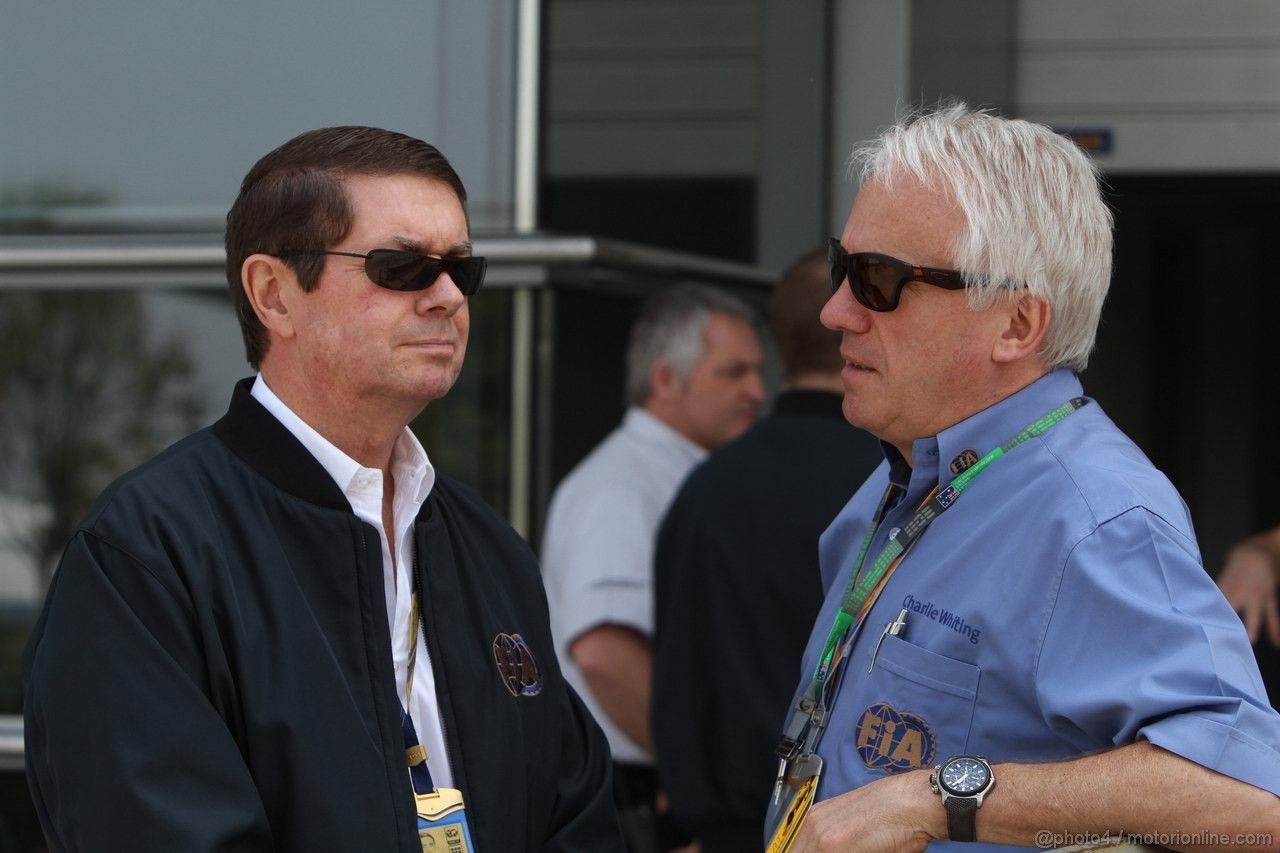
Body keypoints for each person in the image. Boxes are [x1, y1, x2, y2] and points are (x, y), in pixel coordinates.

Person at [23, 126, 623, 853]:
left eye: (462, 268)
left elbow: (579, 817)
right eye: (401, 265)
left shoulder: (487, 547)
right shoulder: (148, 551)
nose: (444, 297)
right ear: (274, 294)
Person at [768, 105, 1280, 852]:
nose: (836, 310)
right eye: (844, 265)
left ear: (1016, 325)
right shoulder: (903, 482)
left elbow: (1252, 798)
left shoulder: (1094, 513)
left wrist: (939, 797)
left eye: (878, 279)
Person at [651, 248, 882, 852]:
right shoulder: (897, 485)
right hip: (862, 831)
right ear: (855, 327)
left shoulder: (706, 488)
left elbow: (678, 674)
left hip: (723, 830)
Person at [541, 284, 765, 849]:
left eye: (758, 372)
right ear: (665, 380)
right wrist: (690, 773)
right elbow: (603, 652)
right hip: (637, 801)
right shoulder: (621, 486)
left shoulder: (678, 476)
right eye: (733, 373)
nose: (757, 392)